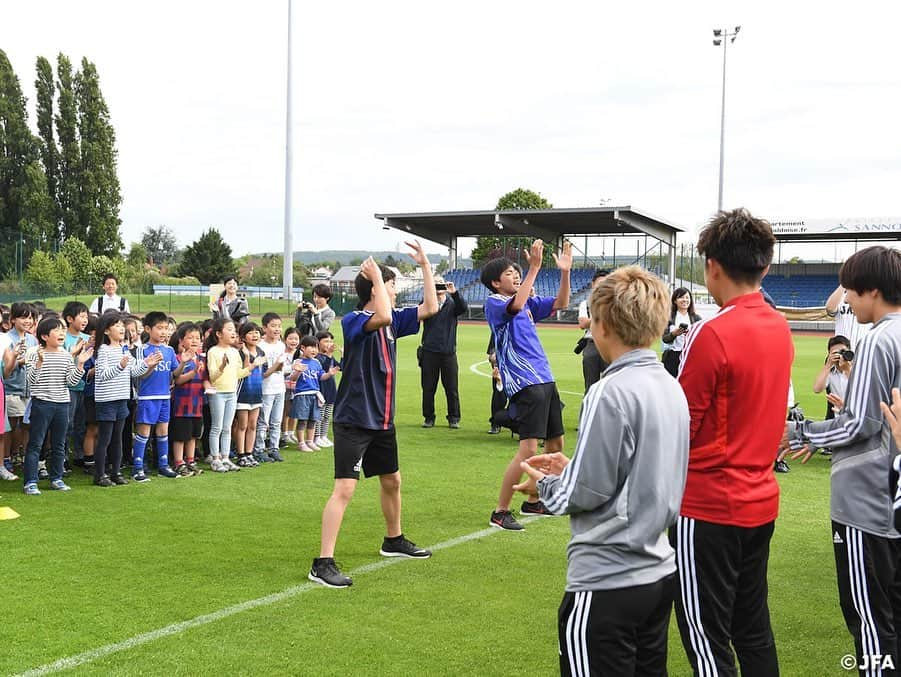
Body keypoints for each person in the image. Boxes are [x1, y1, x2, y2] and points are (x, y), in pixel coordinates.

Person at [513, 266, 689, 676]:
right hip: (657, 572)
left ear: (602, 324)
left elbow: (583, 492)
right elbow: (632, 472)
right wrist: (574, 468)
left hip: (608, 580)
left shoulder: (609, 390)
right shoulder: (670, 385)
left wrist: (550, 485)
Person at [672, 208, 793, 675]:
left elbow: (680, 425)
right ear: (764, 266)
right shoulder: (779, 326)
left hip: (708, 506)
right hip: (759, 500)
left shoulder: (713, 332)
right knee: (752, 628)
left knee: (705, 636)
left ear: (711, 267)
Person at [782, 246, 901, 675]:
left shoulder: (877, 339)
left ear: (872, 289)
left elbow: (858, 425)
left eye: (850, 289)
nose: (846, 300)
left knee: (870, 621)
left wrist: (799, 433)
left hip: (866, 503)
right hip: (894, 499)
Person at [308, 242, 437, 589]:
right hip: (353, 420)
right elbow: (379, 315)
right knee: (345, 490)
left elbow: (431, 306)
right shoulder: (355, 320)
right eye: (391, 285)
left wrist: (425, 265)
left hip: (382, 420)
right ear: (377, 289)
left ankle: (393, 540)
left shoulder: (394, 321)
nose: (394, 291)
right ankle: (322, 563)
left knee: (392, 481)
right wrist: (379, 277)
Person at [481, 239, 572, 531]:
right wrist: (534, 267)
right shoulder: (495, 303)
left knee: (556, 443)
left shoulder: (526, 302)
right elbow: (516, 304)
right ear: (495, 283)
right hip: (526, 381)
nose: (515, 275)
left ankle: (533, 499)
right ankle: (500, 511)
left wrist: (565, 273)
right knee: (528, 449)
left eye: (516, 271)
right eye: (509, 273)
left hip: (544, 377)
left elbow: (562, 303)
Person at [22, 316, 92, 494]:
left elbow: (71, 381)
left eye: (62, 330)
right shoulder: (34, 353)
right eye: (57, 330)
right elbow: (30, 381)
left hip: (62, 404)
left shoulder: (66, 355)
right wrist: (39, 363)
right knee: (36, 444)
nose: (61, 333)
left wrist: (80, 363)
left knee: (59, 444)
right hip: (42, 404)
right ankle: (30, 481)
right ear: (44, 336)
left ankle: (56, 478)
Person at [93, 312, 157, 487]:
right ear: (106, 331)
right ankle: (100, 474)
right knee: (105, 438)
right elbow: (104, 375)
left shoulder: (124, 349)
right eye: (117, 325)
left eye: (122, 325)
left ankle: (116, 472)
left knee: (118, 437)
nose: (122, 329)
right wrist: (120, 366)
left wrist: (147, 364)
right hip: (107, 400)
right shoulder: (103, 350)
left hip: (122, 398)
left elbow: (134, 372)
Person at [132, 311, 192, 481]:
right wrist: (150, 365)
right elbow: (140, 375)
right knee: (143, 432)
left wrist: (183, 363)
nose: (164, 332)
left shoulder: (169, 350)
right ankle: (138, 468)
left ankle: (163, 466)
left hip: (165, 397)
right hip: (147, 397)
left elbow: (174, 374)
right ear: (147, 329)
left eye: (166, 328)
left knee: (163, 432)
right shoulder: (142, 350)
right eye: (159, 328)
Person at [205, 318, 255, 473]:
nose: (233, 333)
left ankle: (225, 458)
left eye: (234, 330)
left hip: (232, 393)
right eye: (229, 329)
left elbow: (238, 374)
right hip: (218, 393)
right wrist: (221, 366)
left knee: (227, 428)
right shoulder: (213, 352)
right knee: (217, 427)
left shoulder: (235, 352)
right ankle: (215, 458)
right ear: (219, 334)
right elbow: (212, 376)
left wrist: (252, 365)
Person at [419, 276, 467, 428]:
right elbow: (420, 311)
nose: (439, 288)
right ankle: (429, 417)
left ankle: (453, 418)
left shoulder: (452, 304)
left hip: (448, 353)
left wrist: (454, 293)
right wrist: (431, 292)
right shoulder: (426, 303)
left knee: (452, 388)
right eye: (436, 285)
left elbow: (463, 308)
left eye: (441, 284)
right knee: (428, 388)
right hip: (429, 351)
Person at [169, 323, 205, 477]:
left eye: (197, 337)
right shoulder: (179, 358)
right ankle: (179, 462)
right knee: (180, 435)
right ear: (182, 341)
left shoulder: (202, 358)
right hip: (182, 404)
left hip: (197, 404)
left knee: (193, 435)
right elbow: (178, 380)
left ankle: (190, 460)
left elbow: (207, 379)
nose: (194, 340)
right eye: (190, 337)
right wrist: (194, 372)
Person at [256, 312, 287, 463]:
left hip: (280, 388)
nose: (277, 329)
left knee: (276, 421)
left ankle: (274, 448)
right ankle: (259, 449)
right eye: (273, 326)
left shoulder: (281, 345)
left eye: (279, 326)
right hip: (266, 389)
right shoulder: (260, 347)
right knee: (263, 421)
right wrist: (277, 365)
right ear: (264, 328)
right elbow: (263, 373)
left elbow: (283, 368)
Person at [62, 301, 91, 468]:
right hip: (68, 388)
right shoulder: (63, 337)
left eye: (86, 316)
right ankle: (63, 456)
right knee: (68, 423)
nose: (85, 320)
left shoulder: (88, 339)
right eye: (81, 316)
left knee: (81, 424)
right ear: (69, 318)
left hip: (84, 387)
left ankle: (79, 454)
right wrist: (74, 352)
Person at [235, 322, 265, 467]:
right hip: (243, 392)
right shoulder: (240, 352)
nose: (255, 335)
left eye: (257, 332)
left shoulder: (260, 351)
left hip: (257, 392)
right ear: (243, 337)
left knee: (253, 425)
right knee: (242, 425)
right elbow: (243, 372)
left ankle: (249, 453)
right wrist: (247, 357)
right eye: (250, 332)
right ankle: (241, 454)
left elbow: (263, 373)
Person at [576, 269, 610, 392]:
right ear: (593, 284)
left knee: (611, 385)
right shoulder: (585, 304)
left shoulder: (616, 304)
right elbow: (583, 323)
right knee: (590, 386)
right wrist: (601, 316)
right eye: (599, 283)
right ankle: (590, 409)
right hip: (592, 344)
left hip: (610, 344)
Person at [661, 287, 703, 378]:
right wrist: (674, 334)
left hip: (690, 356)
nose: (685, 300)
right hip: (673, 357)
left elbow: (702, 339)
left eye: (687, 298)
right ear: (675, 301)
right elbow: (665, 339)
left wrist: (690, 334)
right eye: (681, 297)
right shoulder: (669, 318)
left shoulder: (696, 318)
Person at [812, 335, 853, 421]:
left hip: (853, 418)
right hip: (834, 419)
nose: (839, 355)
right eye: (835, 353)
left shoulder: (857, 369)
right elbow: (817, 389)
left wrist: (847, 370)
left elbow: (861, 390)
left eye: (843, 351)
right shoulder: (829, 372)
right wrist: (828, 365)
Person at [313, 330, 340, 448]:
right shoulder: (317, 357)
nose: (329, 343)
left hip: (330, 388)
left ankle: (323, 436)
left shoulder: (330, 356)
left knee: (327, 415)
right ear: (318, 343)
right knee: (319, 415)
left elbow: (341, 367)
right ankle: (316, 437)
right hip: (321, 389)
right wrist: (328, 355)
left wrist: (344, 355)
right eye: (325, 341)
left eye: (330, 341)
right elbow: (323, 369)